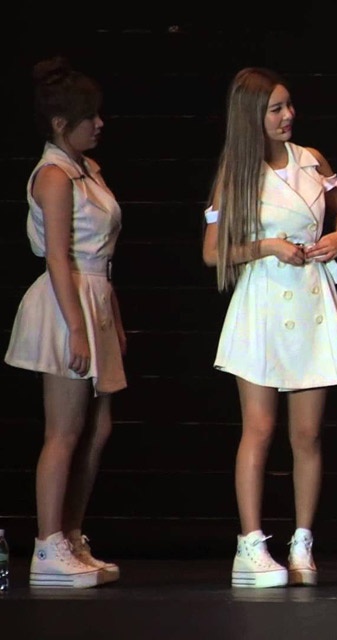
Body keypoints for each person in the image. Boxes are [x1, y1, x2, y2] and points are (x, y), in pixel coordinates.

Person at [202, 67, 337, 588]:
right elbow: (213, 252)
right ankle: (250, 544)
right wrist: (269, 246)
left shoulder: (312, 159)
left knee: (307, 433)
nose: (288, 115)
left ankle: (302, 540)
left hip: (312, 301)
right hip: (263, 302)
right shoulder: (237, 174)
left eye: (289, 105)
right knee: (260, 428)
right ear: (253, 116)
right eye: (275, 109)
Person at [4, 57, 125, 588]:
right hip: (64, 303)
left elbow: (102, 257)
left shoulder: (87, 170)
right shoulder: (53, 176)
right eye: (88, 117)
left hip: (95, 297)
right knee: (65, 429)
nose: (98, 124)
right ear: (60, 124)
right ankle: (47, 544)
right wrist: (76, 327)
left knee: (98, 429)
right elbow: (57, 256)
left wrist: (111, 318)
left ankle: (71, 535)